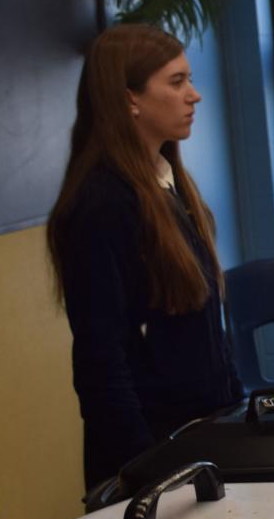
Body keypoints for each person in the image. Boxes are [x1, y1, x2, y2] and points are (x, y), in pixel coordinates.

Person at [47, 24, 241, 491]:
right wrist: (147, 471)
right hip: (153, 459)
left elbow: (205, 330)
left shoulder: (169, 181)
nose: (194, 95)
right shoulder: (102, 203)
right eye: (176, 83)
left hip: (204, 439)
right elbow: (101, 360)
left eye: (189, 79)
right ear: (129, 98)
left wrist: (237, 416)